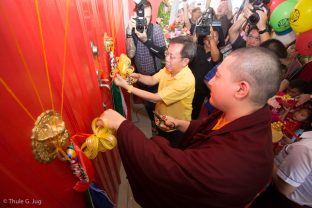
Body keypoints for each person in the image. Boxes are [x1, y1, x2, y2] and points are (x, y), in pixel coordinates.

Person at [98, 47, 282, 208]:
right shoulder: (241, 114)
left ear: (241, 89)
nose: (210, 82)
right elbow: (207, 128)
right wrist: (180, 124)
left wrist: (121, 126)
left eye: (217, 76)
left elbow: (164, 167)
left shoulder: (238, 160)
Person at [114, 35, 196, 147]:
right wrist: (139, 76)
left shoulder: (185, 81)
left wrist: (128, 87)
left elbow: (155, 97)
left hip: (174, 127)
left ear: (185, 61)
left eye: (172, 57)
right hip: (161, 117)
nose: (166, 58)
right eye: (167, 53)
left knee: (168, 153)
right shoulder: (169, 68)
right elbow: (152, 80)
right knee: (158, 142)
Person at [126, 0, 166, 125]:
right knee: (147, 102)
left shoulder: (156, 30)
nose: (145, 20)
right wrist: (128, 33)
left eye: (148, 17)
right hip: (140, 75)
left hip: (155, 75)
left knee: (155, 103)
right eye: (143, 17)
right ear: (136, 16)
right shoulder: (132, 30)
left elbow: (162, 54)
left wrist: (145, 40)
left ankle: (158, 123)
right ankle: (153, 121)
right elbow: (130, 54)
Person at [252, 133, 312, 208]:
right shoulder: (304, 147)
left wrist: (268, 157)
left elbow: (284, 188)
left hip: (282, 201)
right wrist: (292, 146)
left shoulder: (305, 148)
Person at [189, 27, 221, 119]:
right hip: (188, 86)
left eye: (214, 37)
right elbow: (186, 53)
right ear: (203, 40)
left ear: (217, 42)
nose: (210, 37)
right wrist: (195, 36)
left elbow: (216, 58)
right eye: (209, 35)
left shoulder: (217, 54)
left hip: (201, 91)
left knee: (194, 114)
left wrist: (211, 39)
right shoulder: (196, 48)